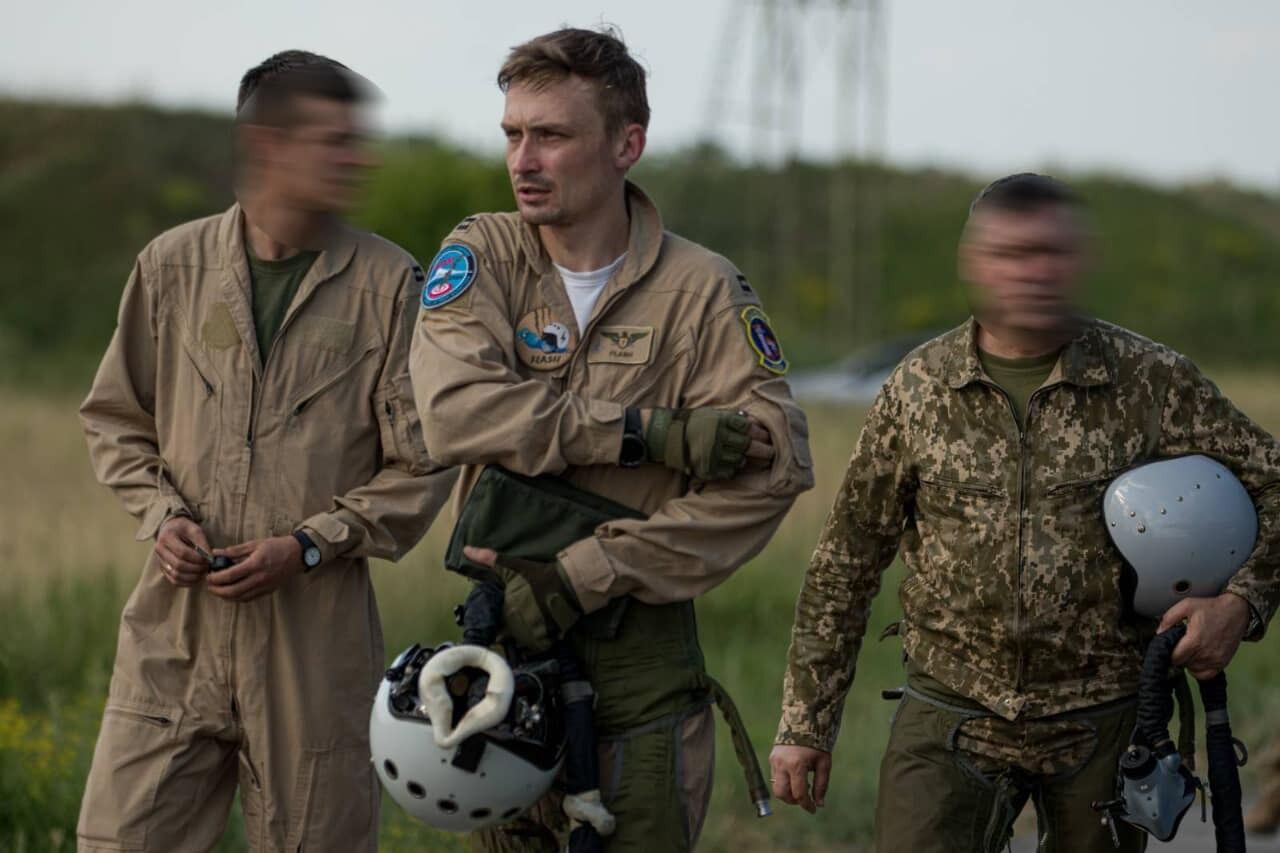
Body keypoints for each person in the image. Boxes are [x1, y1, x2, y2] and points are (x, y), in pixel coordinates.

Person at [769, 173, 1280, 852]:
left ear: (1080, 261)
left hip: (1101, 716)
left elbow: (1275, 483)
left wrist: (1241, 604)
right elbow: (847, 560)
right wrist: (806, 723)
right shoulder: (919, 389)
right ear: (973, 261)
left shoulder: (1150, 380)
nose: (1033, 272)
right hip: (952, 710)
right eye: (1012, 254)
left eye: (1051, 252)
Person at [408, 26, 814, 851]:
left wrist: (593, 569)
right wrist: (647, 434)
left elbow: (778, 465)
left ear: (627, 143)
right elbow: (453, 412)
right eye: (513, 134)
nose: (524, 159)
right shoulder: (481, 252)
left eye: (552, 135)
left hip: (642, 655)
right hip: (503, 647)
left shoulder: (702, 288)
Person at [76, 50, 456, 852]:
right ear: (268, 147)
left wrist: (312, 545)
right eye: (335, 140)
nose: (359, 158)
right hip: (172, 638)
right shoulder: (172, 267)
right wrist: (162, 515)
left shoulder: (391, 285)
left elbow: (424, 462)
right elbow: (114, 417)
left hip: (314, 651)